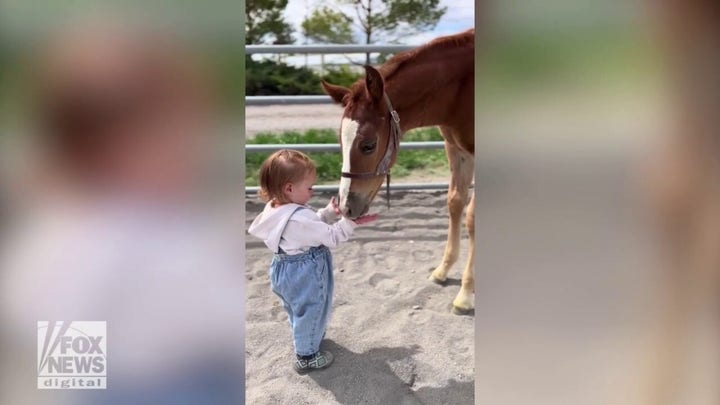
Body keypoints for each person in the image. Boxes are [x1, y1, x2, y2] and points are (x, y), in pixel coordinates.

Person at [248, 149, 377, 373]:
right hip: (306, 271)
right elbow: (331, 236)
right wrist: (350, 222)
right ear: (289, 188)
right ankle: (306, 356)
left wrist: (328, 213)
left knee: (298, 309)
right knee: (313, 307)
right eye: (309, 188)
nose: (312, 192)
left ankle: (308, 337)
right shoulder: (300, 219)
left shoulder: (276, 209)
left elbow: (307, 227)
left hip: (283, 268)